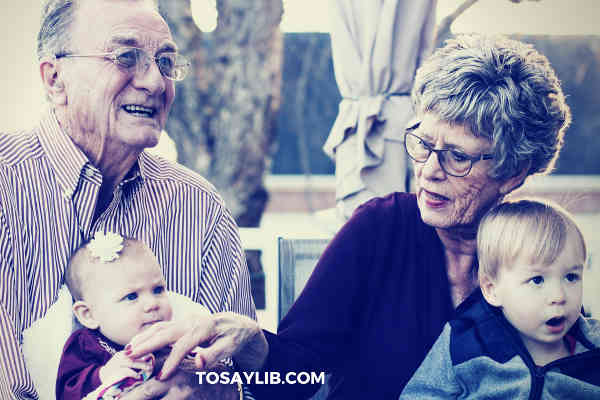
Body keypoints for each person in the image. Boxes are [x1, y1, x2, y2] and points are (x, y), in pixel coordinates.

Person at [125, 34, 573, 399]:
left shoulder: (540, 250)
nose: (429, 171)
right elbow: (297, 377)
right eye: (422, 143)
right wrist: (254, 344)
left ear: (512, 172)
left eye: (457, 157)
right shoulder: (380, 229)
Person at [0, 0, 255, 398]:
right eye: (125, 57)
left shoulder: (198, 207)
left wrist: (213, 389)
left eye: (166, 62)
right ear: (55, 80)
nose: (156, 82)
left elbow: (247, 380)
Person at [400, 199, 600, 399]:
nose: (559, 296)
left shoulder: (594, 346)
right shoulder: (465, 341)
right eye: (537, 280)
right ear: (492, 289)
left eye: (571, 277)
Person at [56, 232, 174, 400]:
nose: (152, 304)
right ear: (89, 315)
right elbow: (65, 393)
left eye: (158, 290)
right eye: (131, 296)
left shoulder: (172, 340)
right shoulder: (85, 344)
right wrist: (102, 375)